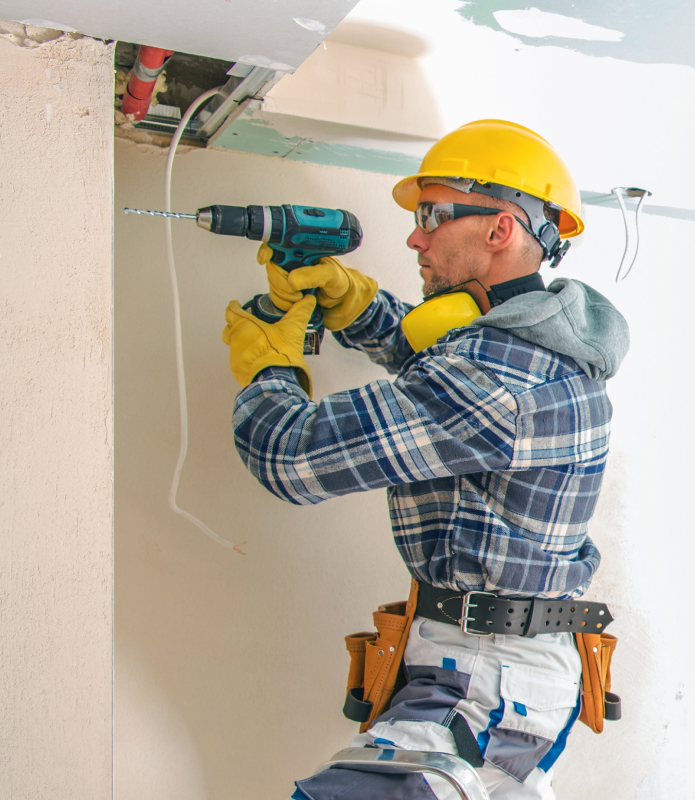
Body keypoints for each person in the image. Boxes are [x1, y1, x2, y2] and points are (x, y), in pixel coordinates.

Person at [220, 119, 629, 800]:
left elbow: (289, 457)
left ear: (500, 230)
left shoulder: (501, 384)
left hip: (484, 680)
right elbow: (438, 356)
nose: (414, 236)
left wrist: (269, 367)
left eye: (432, 215)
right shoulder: (533, 346)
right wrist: (353, 304)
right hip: (500, 670)